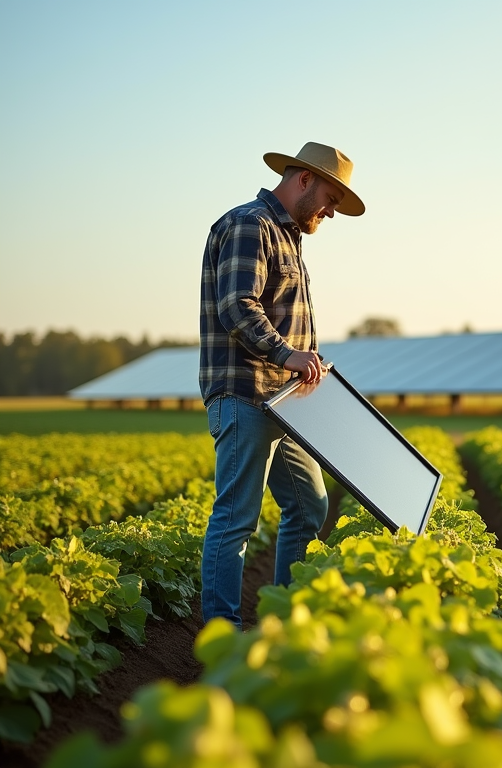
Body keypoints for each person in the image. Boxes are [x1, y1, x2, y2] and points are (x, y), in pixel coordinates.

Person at [198, 141, 365, 627]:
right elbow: (237, 305)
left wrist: (302, 362)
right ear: (304, 179)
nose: (332, 212)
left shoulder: (286, 236)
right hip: (246, 394)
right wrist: (288, 353)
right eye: (332, 199)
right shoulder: (250, 224)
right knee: (235, 521)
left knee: (309, 506)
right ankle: (223, 638)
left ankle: (287, 625)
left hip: (286, 402)